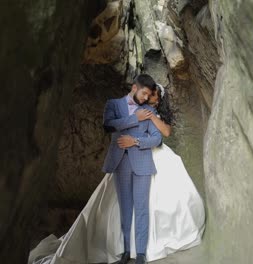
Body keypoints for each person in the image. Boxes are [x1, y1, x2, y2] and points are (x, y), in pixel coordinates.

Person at [28, 77, 205, 264]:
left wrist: (149, 120)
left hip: (152, 158)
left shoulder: (153, 113)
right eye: (148, 94)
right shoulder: (123, 107)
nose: (151, 98)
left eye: (154, 96)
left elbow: (164, 134)